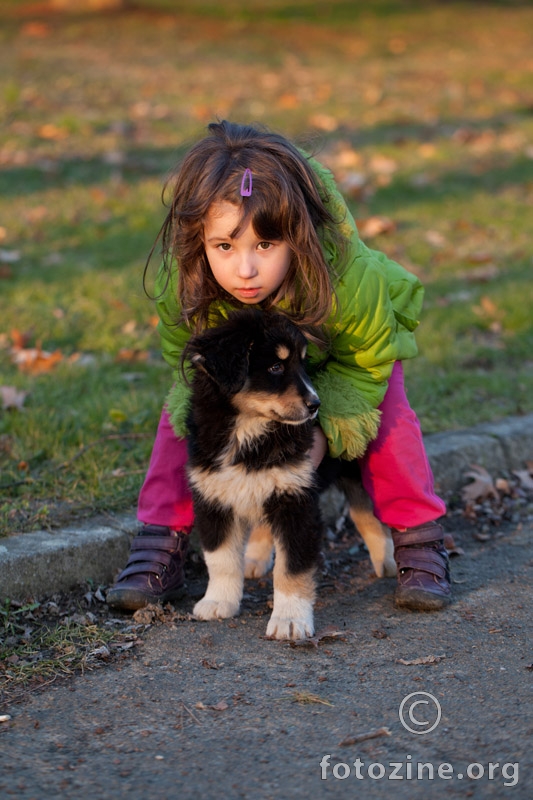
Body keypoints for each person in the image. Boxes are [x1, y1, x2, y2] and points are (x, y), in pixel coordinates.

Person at [106, 120, 450, 615]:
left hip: (351, 362)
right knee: (179, 423)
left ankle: (418, 537)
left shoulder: (352, 279)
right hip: (252, 371)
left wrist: (330, 431)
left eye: (265, 246)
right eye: (224, 246)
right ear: (197, 241)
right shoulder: (182, 282)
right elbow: (185, 361)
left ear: (299, 234)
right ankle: (161, 538)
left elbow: (366, 366)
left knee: (391, 421)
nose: (245, 270)